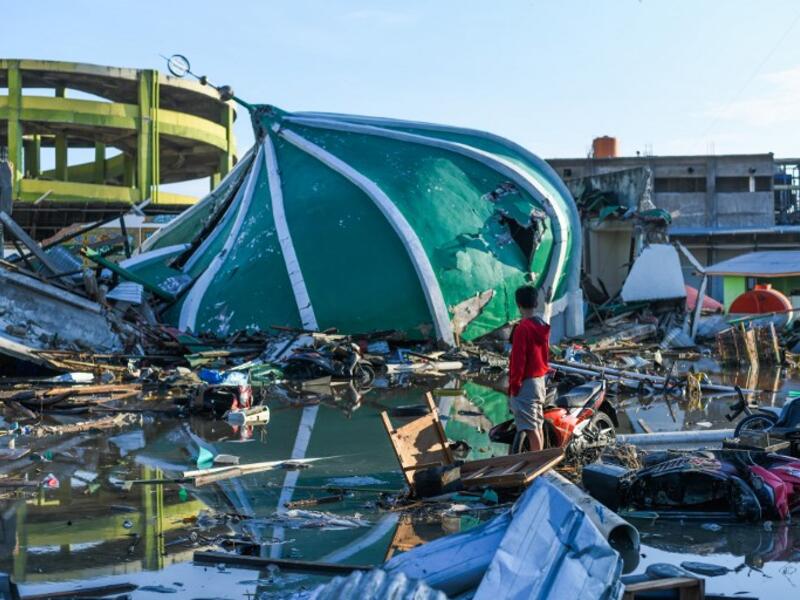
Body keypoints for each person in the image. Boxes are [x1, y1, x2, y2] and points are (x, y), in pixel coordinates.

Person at [507, 285, 550, 453]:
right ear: (535, 302)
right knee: (537, 425)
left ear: (518, 304)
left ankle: (537, 468)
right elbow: (544, 355)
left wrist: (514, 387)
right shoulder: (541, 324)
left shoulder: (522, 328)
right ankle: (539, 464)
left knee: (531, 430)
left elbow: (518, 361)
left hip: (526, 382)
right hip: (540, 381)